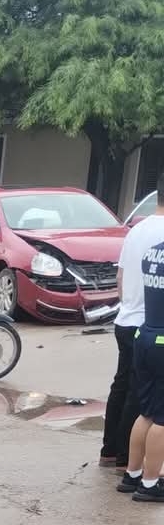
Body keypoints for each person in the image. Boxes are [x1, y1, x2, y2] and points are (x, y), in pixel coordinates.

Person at [101, 185, 163, 471]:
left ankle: (110, 451)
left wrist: (129, 305)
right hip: (152, 325)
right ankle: (129, 461)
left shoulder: (136, 230)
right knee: (143, 400)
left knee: (122, 386)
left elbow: (120, 277)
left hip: (126, 320)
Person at [117, 180, 164, 502]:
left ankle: (132, 474)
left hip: (145, 334)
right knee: (162, 419)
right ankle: (149, 484)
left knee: (146, 412)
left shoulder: (153, 253)